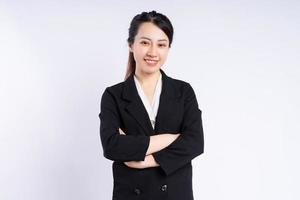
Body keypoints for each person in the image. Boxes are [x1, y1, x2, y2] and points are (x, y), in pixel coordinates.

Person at [99, 10, 204, 200]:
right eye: (145, 42)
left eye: (161, 44)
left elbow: (195, 143)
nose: (153, 52)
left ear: (168, 48)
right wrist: (173, 138)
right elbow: (112, 146)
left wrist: (144, 161)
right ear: (131, 45)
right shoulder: (113, 95)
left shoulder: (183, 91)